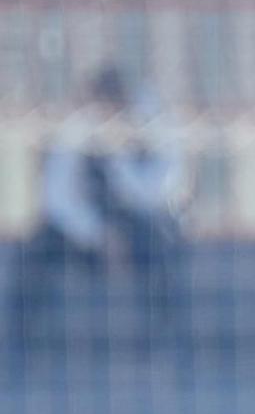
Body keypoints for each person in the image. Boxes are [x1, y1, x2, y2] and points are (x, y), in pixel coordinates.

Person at [6, 67, 190, 361]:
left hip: (139, 224)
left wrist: (120, 161)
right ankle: (18, 345)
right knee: (34, 252)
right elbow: (57, 197)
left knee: (160, 251)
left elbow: (161, 189)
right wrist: (98, 234)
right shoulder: (79, 125)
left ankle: (165, 345)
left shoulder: (151, 119)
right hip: (87, 230)